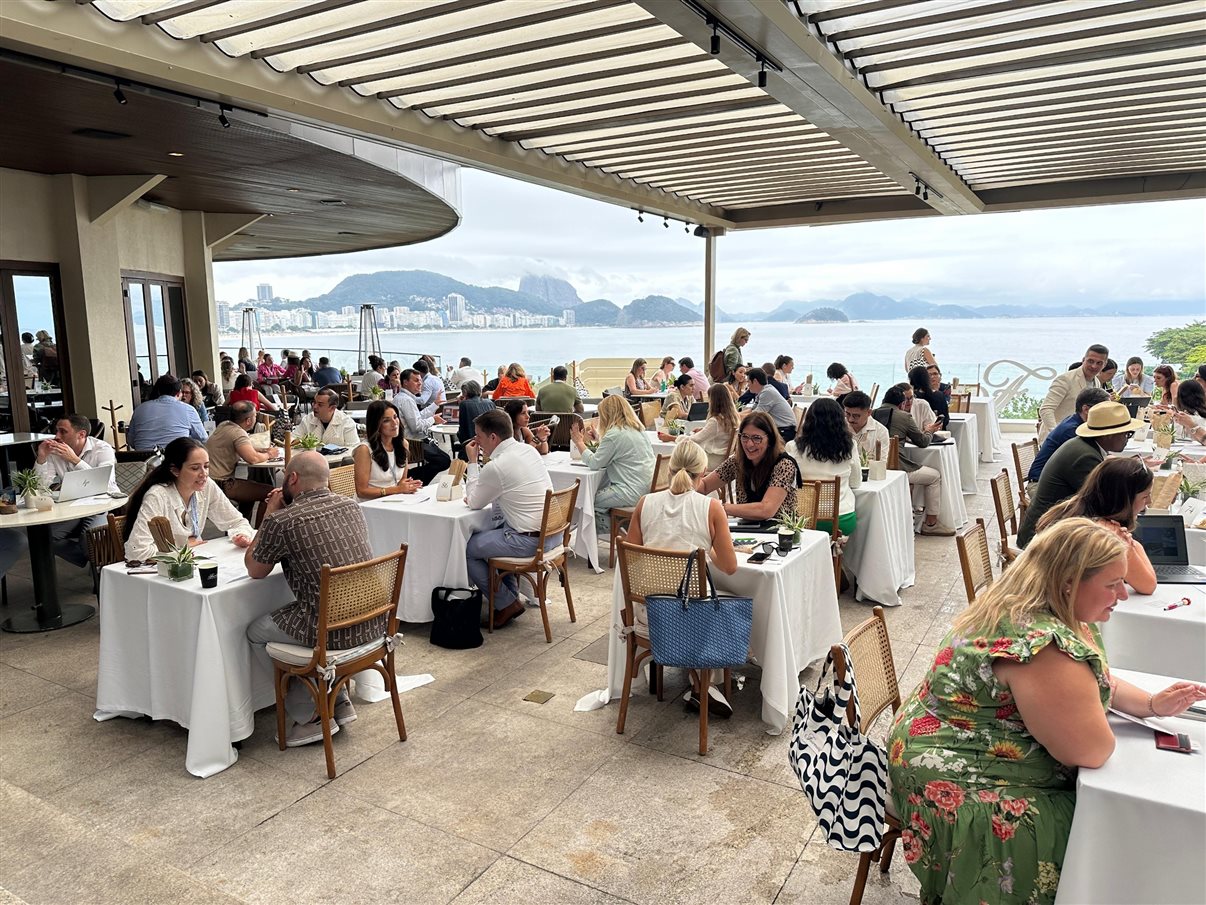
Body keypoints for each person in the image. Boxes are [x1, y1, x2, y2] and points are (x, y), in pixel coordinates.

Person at [888, 517, 1206, 905]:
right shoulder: (1043, 648)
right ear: (1069, 581)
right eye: (1111, 584)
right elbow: (1091, 750)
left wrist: (1153, 704)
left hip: (933, 746)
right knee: (1111, 829)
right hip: (959, 786)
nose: (1123, 595)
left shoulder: (1028, 602)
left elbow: (1098, 681)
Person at [243, 452, 377, 746]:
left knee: (254, 632)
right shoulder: (351, 506)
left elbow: (254, 569)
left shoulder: (284, 521)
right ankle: (337, 699)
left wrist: (270, 514)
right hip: (371, 621)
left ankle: (310, 715)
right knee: (309, 608)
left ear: (292, 479)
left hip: (331, 632)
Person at [625, 439, 739, 716]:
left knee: (687, 596)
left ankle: (699, 682)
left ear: (669, 470)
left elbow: (632, 558)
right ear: (703, 473)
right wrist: (707, 547)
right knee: (722, 600)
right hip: (691, 615)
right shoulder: (710, 508)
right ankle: (705, 682)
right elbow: (730, 566)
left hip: (648, 611)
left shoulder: (645, 503)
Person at [464, 408, 556, 628]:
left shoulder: (496, 466)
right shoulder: (528, 450)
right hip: (553, 533)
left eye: (479, 436)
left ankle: (506, 603)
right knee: (493, 535)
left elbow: (475, 502)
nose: (477, 440)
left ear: (493, 437)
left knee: (467, 549)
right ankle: (509, 598)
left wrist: (473, 462)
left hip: (530, 541)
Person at [1017, 400, 1141, 547]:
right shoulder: (1085, 457)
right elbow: (1105, 503)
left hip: (1053, 530)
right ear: (1109, 435)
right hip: (1040, 540)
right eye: (1127, 434)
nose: (1127, 439)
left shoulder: (1085, 446)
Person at [1035, 458, 1156, 594]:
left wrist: (1129, 542)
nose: (1149, 502)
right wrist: (1126, 543)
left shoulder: (1073, 509)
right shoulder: (1101, 533)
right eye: (1145, 497)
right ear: (1124, 500)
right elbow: (1148, 585)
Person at [122, 437, 253, 560]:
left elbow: (237, 522)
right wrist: (181, 548)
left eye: (206, 466)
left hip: (192, 561)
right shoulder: (158, 496)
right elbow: (136, 551)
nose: (204, 474)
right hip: (159, 572)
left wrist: (241, 535)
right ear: (175, 471)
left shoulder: (207, 486)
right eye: (195, 468)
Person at [21, 414, 119, 568]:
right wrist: (41, 458)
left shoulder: (102, 449)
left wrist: (75, 460)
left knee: (89, 540)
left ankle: (98, 565)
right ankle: (91, 562)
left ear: (81, 434)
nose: (57, 436)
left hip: (100, 505)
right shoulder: (55, 451)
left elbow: (104, 484)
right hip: (70, 506)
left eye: (63, 432)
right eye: (56, 431)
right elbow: (39, 488)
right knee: (43, 539)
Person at [873, 384, 952, 536]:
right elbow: (922, 442)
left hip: (876, 468)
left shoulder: (872, 414)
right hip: (898, 468)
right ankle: (931, 523)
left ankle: (909, 513)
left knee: (912, 480)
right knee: (935, 476)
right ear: (901, 403)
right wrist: (929, 431)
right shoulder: (904, 416)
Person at [570, 395, 655, 533]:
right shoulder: (638, 429)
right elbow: (618, 449)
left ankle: (620, 532)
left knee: (587, 501)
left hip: (629, 492)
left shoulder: (614, 435)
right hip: (646, 488)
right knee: (594, 502)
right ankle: (624, 529)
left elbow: (594, 462)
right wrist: (599, 439)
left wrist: (579, 442)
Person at [698, 411, 798, 523]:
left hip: (781, 534)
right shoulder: (736, 461)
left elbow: (766, 510)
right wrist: (684, 484)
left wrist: (721, 507)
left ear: (770, 440)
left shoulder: (784, 465)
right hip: (745, 530)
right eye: (744, 437)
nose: (749, 444)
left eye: (756, 438)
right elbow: (705, 486)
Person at [788, 397, 860, 535]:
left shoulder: (793, 447)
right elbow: (856, 482)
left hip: (803, 518)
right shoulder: (850, 446)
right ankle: (835, 555)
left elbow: (789, 483)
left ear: (808, 421)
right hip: (841, 518)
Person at [206, 401, 280, 524]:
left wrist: (261, 450)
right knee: (271, 493)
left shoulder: (224, 425)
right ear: (248, 421)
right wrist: (269, 454)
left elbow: (244, 447)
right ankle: (259, 532)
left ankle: (242, 526)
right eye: (255, 415)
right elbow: (253, 459)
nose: (256, 418)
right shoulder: (238, 433)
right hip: (222, 484)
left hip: (211, 481)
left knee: (250, 491)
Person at [1027, 387, 1111, 487]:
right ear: (1086, 409)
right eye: (1104, 410)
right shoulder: (1072, 431)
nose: (1108, 415)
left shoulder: (1076, 422)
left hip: (1057, 481)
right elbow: (1085, 465)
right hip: (1040, 485)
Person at [352, 400, 422, 499]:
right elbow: (362, 491)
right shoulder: (364, 450)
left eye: (395, 417)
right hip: (369, 505)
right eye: (386, 420)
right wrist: (397, 490)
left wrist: (408, 486)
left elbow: (402, 479)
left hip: (394, 501)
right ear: (377, 425)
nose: (394, 423)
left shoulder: (403, 444)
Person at [1038, 345, 1108, 441]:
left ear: (1104, 365)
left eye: (1099, 363)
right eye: (1090, 361)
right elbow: (1046, 409)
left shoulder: (1097, 382)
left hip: (1079, 437)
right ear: (1083, 360)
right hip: (1056, 439)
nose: (1094, 366)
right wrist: (1055, 433)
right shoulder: (1065, 379)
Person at [392, 368, 450, 485]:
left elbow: (416, 417)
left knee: (442, 459)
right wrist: (433, 419)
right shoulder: (406, 400)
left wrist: (434, 405)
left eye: (420, 380)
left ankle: (414, 480)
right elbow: (416, 426)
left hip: (409, 440)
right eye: (416, 380)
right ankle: (411, 478)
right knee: (444, 461)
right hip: (413, 443)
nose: (420, 383)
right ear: (405, 382)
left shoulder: (402, 398)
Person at [662, 382, 738, 470]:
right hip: (725, 460)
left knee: (681, 463)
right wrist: (704, 430)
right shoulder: (733, 418)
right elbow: (720, 433)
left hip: (713, 461)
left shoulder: (716, 421)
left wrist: (672, 438)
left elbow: (694, 440)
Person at [125, 374, 209, 450]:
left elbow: (131, 441)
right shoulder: (188, 410)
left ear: (158, 391)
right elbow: (203, 439)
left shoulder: (139, 409)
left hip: (144, 461)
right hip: (175, 462)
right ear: (179, 393)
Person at [295, 388, 359, 448]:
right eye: (314, 402)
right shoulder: (308, 419)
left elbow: (353, 450)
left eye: (320, 404)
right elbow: (293, 438)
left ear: (332, 408)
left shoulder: (347, 423)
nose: (314, 407)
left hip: (337, 459)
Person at [746, 367, 797, 442]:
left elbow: (756, 415)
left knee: (752, 439)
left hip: (785, 431)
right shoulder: (762, 391)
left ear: (755, 381)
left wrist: (737, 417)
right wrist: (737, 415)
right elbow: (752, 410)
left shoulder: (767, 392)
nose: (747, 385)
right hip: (780, 429)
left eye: (748, 382)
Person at [842, 391, 891, 462]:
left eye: (856, 416)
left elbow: (881, 462)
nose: (850, 419)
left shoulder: (881, 431)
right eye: (848, 414)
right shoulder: (840, 426)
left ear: (869, 412)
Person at [456, 380, 495, 455]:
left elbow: (462, 430)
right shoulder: (490, 403)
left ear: (465, 393)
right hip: (491, 445)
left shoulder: (464, 405)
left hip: (473, 444)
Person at [908, 365, 949, 429]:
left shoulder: (911, 398)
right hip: (937, 432)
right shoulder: (939, 395)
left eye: (935, 374)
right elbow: (946, 419)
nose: (933, 377)